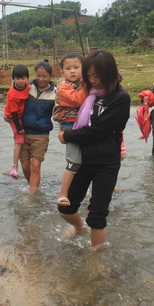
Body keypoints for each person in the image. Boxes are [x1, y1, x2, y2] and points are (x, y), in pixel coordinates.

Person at [57, 50, 130, 250]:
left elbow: (100, 131)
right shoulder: (88, 92)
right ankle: (79, 227)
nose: (92, 80)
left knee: (97, 215)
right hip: (84, 160)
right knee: (66, 207)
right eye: (89, 76)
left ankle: (97, 262)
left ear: (109, 72)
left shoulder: (120, 98)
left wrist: (67, 136)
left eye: (96, 76)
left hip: (106, 163)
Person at [52, 52, 88, 207]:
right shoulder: (63, 87)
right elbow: (79, 100)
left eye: (76, 67)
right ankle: (63, 194)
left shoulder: (80, 83)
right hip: (70, 126)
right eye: (68, 68)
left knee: (88, 160)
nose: (72, 71)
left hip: (80, 125)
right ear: (62, 72)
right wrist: (88, 84)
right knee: (74, 161)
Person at [19, 60, 56, 194]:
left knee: (35, 166)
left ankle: (31, 195)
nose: (41, 79)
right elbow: (14, 97)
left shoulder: (55, 93)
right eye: (38, 75)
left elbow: (61, 111)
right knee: (24, 165)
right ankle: (34, 188)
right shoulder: (28, 87)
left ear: (50, 76)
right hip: (23, 132)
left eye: (44, 76)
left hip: (41, 135)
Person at [3, 64, 30, 179]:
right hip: (14, 117)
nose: (20, 81)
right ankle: (14, 167)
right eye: (18, 78)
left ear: (27, 78)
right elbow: (13, 113)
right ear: (14, 78)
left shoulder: (27, 85)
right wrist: (19, 128)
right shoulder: (13, 94)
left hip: (21, 114)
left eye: (23, 78)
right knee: (19, 140)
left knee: (22, 139)